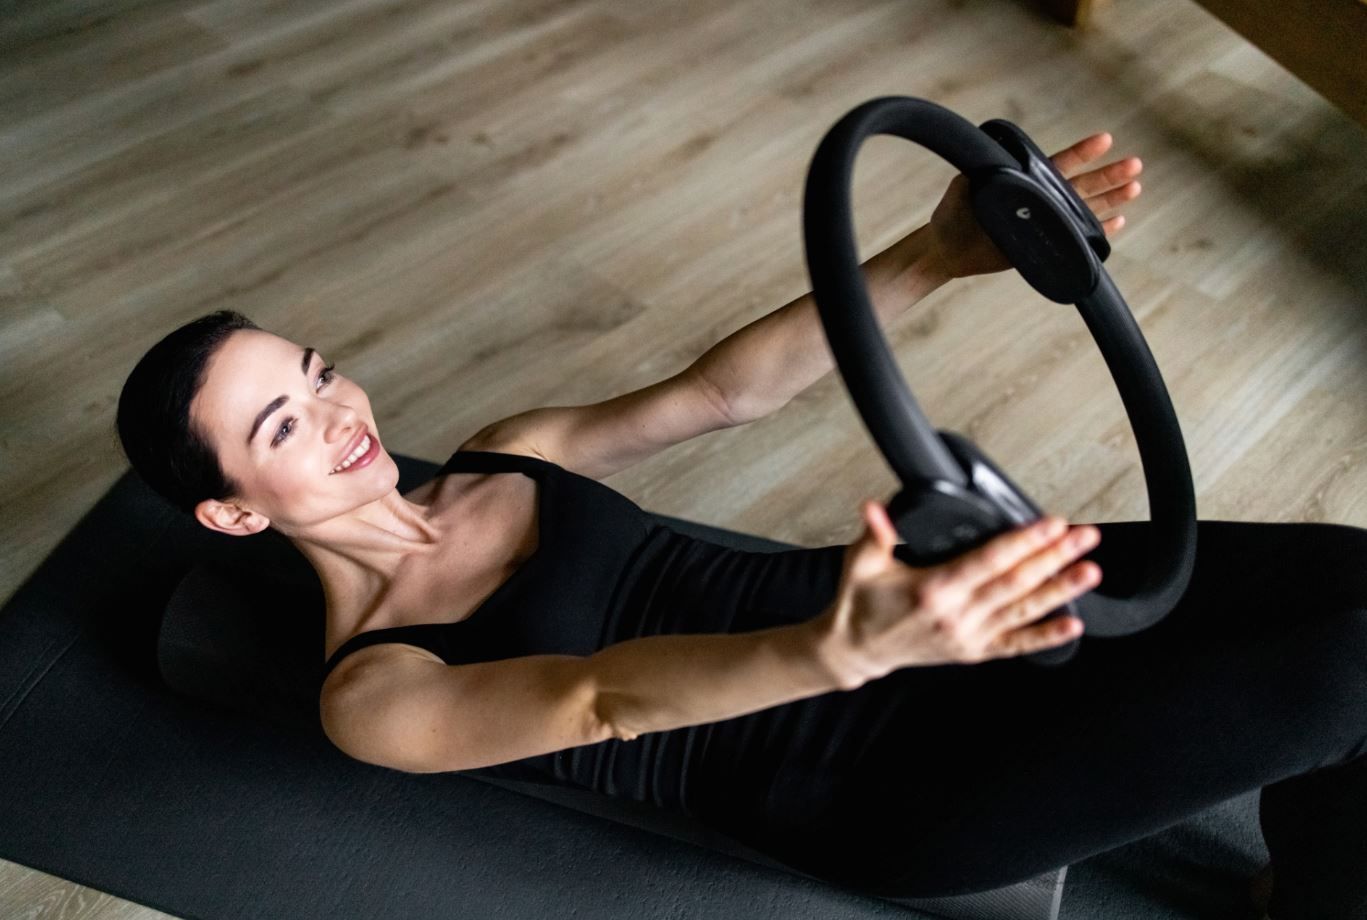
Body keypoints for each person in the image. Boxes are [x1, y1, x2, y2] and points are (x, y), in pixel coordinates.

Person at [114, 131, 1365, 920]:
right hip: (878, 779)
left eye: (318, 370)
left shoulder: (514, 447)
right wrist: (849, 646)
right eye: (280, 425)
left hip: (911, 603)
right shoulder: (374, 692)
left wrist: (932, 254)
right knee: (1348, 675)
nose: (334, 411)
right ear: (230, 511)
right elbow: (602, 701)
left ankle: (1301, 886)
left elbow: (717, 393)